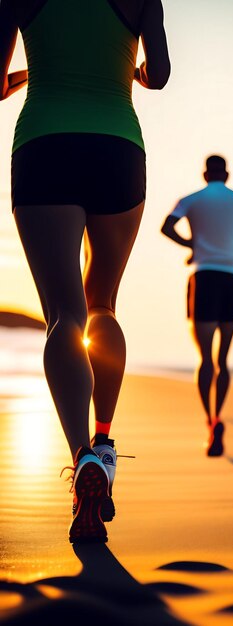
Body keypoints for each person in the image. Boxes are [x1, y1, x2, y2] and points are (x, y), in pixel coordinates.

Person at [0, 0, 170, 542]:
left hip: (45, 145)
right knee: (102, 306)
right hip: (117, 148)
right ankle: (103, 440)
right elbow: (159, 76)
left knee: (64, 316)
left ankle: (80, 460)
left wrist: (34, 73)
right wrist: (133, 72)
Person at [161, 155, 233, 457]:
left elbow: (167, 227)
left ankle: (211, 421)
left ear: (205, 174)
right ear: (227, 174)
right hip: (231, 279)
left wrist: (192, 245)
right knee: (223, 360)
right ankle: (219, 414)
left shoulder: (191, 199)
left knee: (204, 359)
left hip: (203, 278)